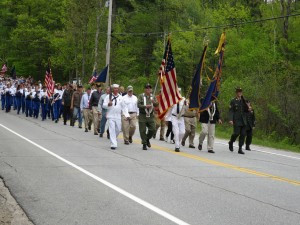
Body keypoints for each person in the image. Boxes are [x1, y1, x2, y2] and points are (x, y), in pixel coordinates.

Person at [103, 84, 129, 150]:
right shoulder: (108, 97)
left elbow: (124, 107)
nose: (116, 90)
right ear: (112, 89)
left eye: (117, 88)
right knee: (112, 129)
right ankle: (113, 144)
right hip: (110, 115)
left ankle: (114, 139)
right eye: (115, 88)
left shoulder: (121, 97)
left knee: (118, 129)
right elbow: (104, 105)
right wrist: (108, 104)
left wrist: (127, 115)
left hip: (118, 116)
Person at [137, 84, 158, 150]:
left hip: (150, 116)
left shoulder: (153, 96)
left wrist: (154, 102)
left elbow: (157, 104)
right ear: (145, 89)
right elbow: (138, 104)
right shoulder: (141, 96)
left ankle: (147, 139)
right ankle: (144, 144)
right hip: (143, 115)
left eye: (149, 88)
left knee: (153, 129)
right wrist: (145, 106)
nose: (148, 89)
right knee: (142, 130)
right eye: (147, 88)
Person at [228, 87, 248, 154]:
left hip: (244, 120)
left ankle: (240, 148)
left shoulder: (244, 100)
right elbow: (231, 111)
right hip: (236, 120)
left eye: (240, 92)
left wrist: (249, 109)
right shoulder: (233, 101)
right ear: (236, 93)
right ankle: (231, 142)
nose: (239, 93)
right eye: (238, 92)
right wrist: (231, 119)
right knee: (236, 133)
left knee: (243, 134)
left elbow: (247, 109)